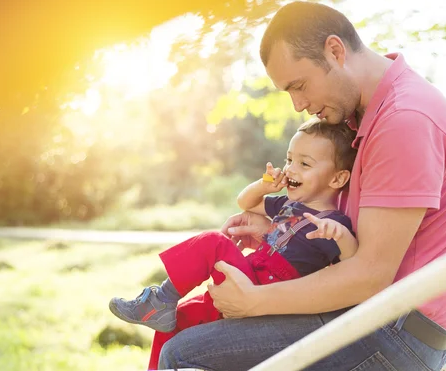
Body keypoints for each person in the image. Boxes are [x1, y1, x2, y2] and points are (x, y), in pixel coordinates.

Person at [157, 1, 446, 371]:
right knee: (188, 325)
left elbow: (369, 274)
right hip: (369, 316)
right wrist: (285, 233)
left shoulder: (404, 120)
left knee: (183, 354)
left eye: (300, 85)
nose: (298, 105)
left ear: (335, 51)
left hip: (393, 335)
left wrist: (254, 301)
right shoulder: (368, 114)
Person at [109, 119, 359, 369]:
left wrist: (342, 237)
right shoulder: (287, 204)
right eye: (289, 160)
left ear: (337, 179)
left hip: (272, 291)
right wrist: (264, 185)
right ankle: (159, 318)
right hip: (251, 272)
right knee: (177, 318)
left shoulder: (333, 222)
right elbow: (246, 202)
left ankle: (162, 296)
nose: (291, 169)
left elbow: (352, 264)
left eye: (304, 163)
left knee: (213, 243)